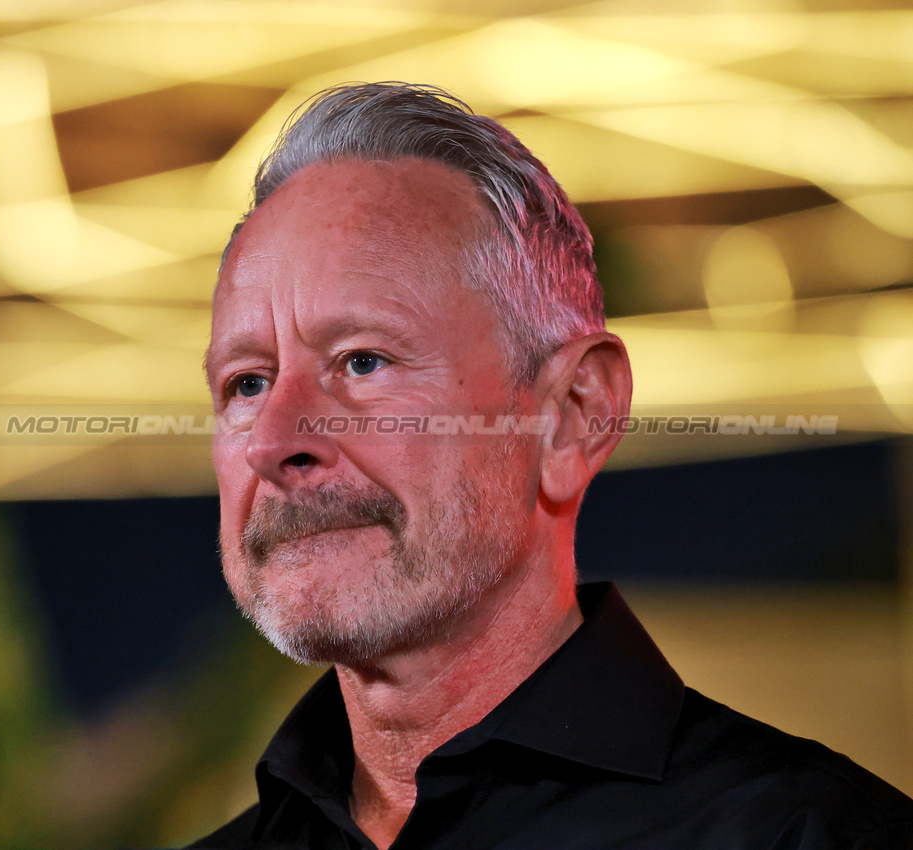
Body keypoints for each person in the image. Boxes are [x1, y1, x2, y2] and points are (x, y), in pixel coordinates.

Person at [192, 82, 913, 849]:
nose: (274, 442)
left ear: (572, 412)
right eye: (247, 383)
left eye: (362, 361)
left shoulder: (801, 835)